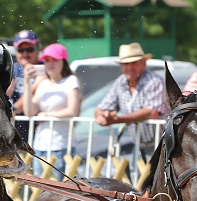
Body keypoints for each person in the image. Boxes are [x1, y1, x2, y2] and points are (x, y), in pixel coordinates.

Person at [94, 43, 167, 181]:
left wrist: (117, 120)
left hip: (161, 145)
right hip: (138, 145)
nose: (129, 67)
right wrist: (101, 116)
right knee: (137, 185)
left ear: (143, 62)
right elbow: (102, 107)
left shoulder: (154, 81)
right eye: (125, 64)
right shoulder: (120, 82)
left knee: (160, 185)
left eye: (133, 63)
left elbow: (152, 112)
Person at [21, 43, 81, 177]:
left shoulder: (71, 81)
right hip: (40, 145)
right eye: (47, 60)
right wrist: (26, 82)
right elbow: (29, 111)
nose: (50, 63)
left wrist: (46, 115)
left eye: (54, 59)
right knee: (41, 190)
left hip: (61, 145)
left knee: (59, 190)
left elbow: (72, 111)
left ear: (63, 62)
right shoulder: (43, 84)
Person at [10, 29, 40, 144]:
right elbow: (4, 93)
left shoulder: (46, 68)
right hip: (15, 133)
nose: (25, 54)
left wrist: (13, 110)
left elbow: (32, 93)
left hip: (38, 133)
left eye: (29, 49)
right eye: (21, 50)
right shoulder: (12, 69)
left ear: (38, 49)